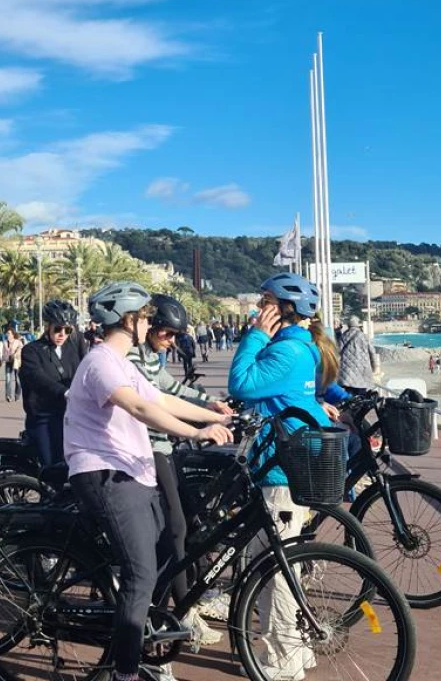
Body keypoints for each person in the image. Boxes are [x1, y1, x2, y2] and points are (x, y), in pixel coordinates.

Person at [66, 282, 232, 681]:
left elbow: (160, 398)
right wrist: (195, 433)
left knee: (159, 556)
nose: (149, 323)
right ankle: (126, 673)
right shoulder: (102, 362)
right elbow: (140, 407)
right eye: (144, 317)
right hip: (107, 475)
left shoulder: (123, 363)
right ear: (128, 319)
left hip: (132, 472)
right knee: (140, 573)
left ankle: (137, 644)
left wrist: (212, 417)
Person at [224, 272, 337, 679]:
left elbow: (240, 384)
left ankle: (282, 661)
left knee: (275, 572)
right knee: (272, 563)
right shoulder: (299, 347)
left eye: (266, 301)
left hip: (279, 472)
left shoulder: (286, 351)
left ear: (285, 308)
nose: (259, 308)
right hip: (286, 466)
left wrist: (254, 336)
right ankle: (296, 647)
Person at [129, 294, 231, 654]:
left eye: (174, 335)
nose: (171, 341)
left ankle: (184, 605)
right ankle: (181, 613)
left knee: (186, 523)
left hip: (165, 447)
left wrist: (208, 403)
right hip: (146, 448)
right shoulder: (129, 358)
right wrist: (202, 421)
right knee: (175, 529)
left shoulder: (149, 355)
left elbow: (171, 387)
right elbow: (155, 400)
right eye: (167, 334)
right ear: (149, 326)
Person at [19, 300, 83, 468]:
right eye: (57, 329)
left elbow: (85, 371)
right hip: (44, 418)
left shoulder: (73, 348)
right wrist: (64, 392)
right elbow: (37, 378)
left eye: (67, 330)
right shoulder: (32, 350)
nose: (62, 334)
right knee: (52, 468)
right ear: (48, 326)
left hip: (70, 416)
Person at [336, 315, 377, 388]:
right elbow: (372, 353)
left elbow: (337, 353)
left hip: (346, 374)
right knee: (362, 396)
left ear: (348, 325)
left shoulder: (343, 336)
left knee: (349, 397)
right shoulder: (364, 336)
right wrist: (374, 367)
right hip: (362, 373)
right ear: (357, 324)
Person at [3, 326, 24, 402]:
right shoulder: (5, 342)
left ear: (12, 334)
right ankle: (8, 396)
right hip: (8, 362)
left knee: (18, 380)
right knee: (8, 379)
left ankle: (17, 395)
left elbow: (21, 350)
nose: (7, 334)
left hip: (16, 362)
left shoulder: (18, 342)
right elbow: (4, 353)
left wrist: (16, 354)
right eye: (7, 333)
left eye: (9, 333)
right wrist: (3, 359)